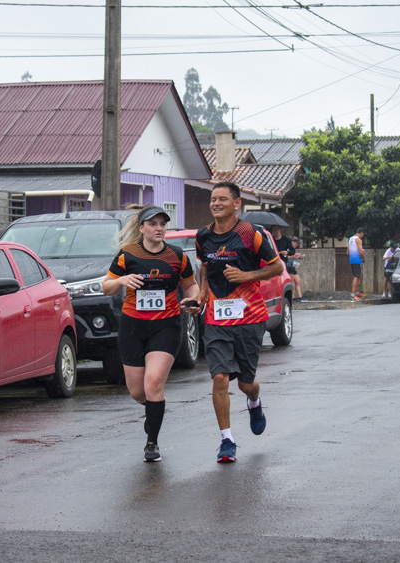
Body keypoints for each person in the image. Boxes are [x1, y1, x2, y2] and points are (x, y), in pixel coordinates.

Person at [194, 182, 283, 463]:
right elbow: (205, 269)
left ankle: (254, 401)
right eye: (213, 199)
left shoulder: (250, 234)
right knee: (219, 378)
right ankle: (227, 440)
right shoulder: (203, 237)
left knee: (246, 384)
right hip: (217, 318)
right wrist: (201, 295)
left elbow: (277, 267)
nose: (216, 203)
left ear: (237, 204)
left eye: (222, 199)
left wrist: (245, 276)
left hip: (250, 317)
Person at [102, 205, 199, 463]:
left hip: (166, 325)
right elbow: (107, 287)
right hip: (133, 326)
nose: (159, 228)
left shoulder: (177, 256)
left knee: (154, 382)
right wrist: (122, 281)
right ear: (142, 227)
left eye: (162, 224)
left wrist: (193, 301)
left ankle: (152, 442)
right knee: (137, 391)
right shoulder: (127, 255)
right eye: (153, 224)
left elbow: (191, 286)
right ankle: (154, 412)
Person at [271, 225, 305, 302]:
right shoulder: (271, 240)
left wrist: (287, 252)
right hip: (273, 262)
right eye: (274, 230)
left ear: (280, 230)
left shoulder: (286, 240)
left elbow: (292, 251)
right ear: (272, 231)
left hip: (284, 263)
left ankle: (290, 297)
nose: (276, 231)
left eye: (277, 229)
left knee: (286, 280)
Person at [349, 227, 366, 300]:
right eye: (363, 234)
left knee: (360, 276)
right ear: (361, 233)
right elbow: (360, 251)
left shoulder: (351, 239)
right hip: (357, 260)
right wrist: (363, 258)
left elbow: (348, 250)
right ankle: (353, 295)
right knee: (356, 276)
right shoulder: (358, 240)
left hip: (352, 259)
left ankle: (357, 292)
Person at [288, 237, 306, 302]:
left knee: (298, 281)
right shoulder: (288, 249)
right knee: (291, 282)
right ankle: (292, 297)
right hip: (288, 267)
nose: (296, 244)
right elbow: (286, 257)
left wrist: (298, 257)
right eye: (295, 242)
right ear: (292, 242)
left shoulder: (293, 250)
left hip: (292, 266)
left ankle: (300, 296)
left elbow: (293, 259)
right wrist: (294, 256)